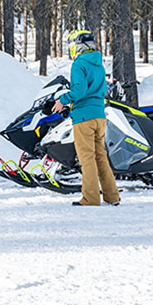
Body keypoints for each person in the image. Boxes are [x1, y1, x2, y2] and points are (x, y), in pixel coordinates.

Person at [52, 30, 120, 207]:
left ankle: (90, 199)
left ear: (78, 45)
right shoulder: (99, 63)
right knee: (100, 156)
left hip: (84, 117)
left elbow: (78, 92)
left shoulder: (79, 64)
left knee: (87, 158)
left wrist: (62, 100)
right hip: (99, 116)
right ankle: (112, 196)